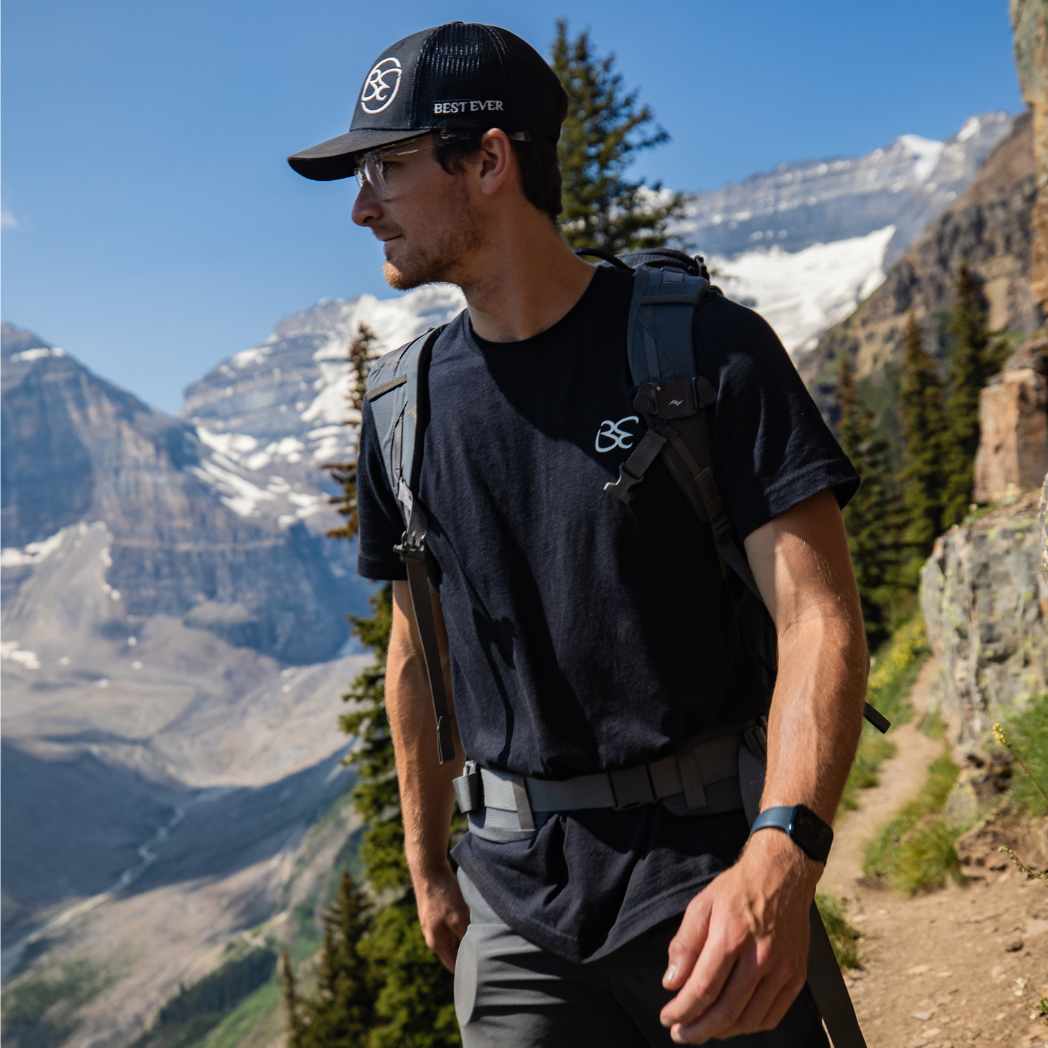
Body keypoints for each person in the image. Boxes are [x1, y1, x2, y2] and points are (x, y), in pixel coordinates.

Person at [288, 21, 869, 1047]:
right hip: (513, 915)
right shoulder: (400, 412)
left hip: (712, 895)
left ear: (490, 161)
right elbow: (415, 656)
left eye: (386, 164)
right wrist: (430, 872)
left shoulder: (703, 351)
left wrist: (781, 855)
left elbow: (817, 617)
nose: (360, 204)